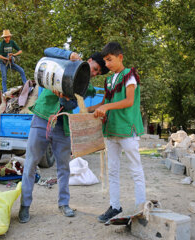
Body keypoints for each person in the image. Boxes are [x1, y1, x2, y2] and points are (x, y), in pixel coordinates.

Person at [18, 47, 109, 223]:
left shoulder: (85, 86)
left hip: (63, 125)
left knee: (64, 167)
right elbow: (47, 50)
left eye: (98, 73)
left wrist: (65, 100)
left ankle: (64, 204)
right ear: (89, 60)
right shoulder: (67, 65)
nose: (95, 73)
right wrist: (69, 55)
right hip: (42, 118)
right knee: (30, 164)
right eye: (95, 68)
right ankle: (25, 206)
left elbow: (73, 104)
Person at [87, 42, 146, 223]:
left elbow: (128, 101)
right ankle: (114, 206)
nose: (107, 64)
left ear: (120, 57)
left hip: (127, 129)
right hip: (111, 130)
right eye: (105, 61)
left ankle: (141, 208)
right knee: (112, 170)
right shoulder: (108, 80)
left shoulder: (130, 75)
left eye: (110, 60)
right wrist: (87, 110)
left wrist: (106, 106)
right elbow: (104, 103)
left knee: (136, 170)